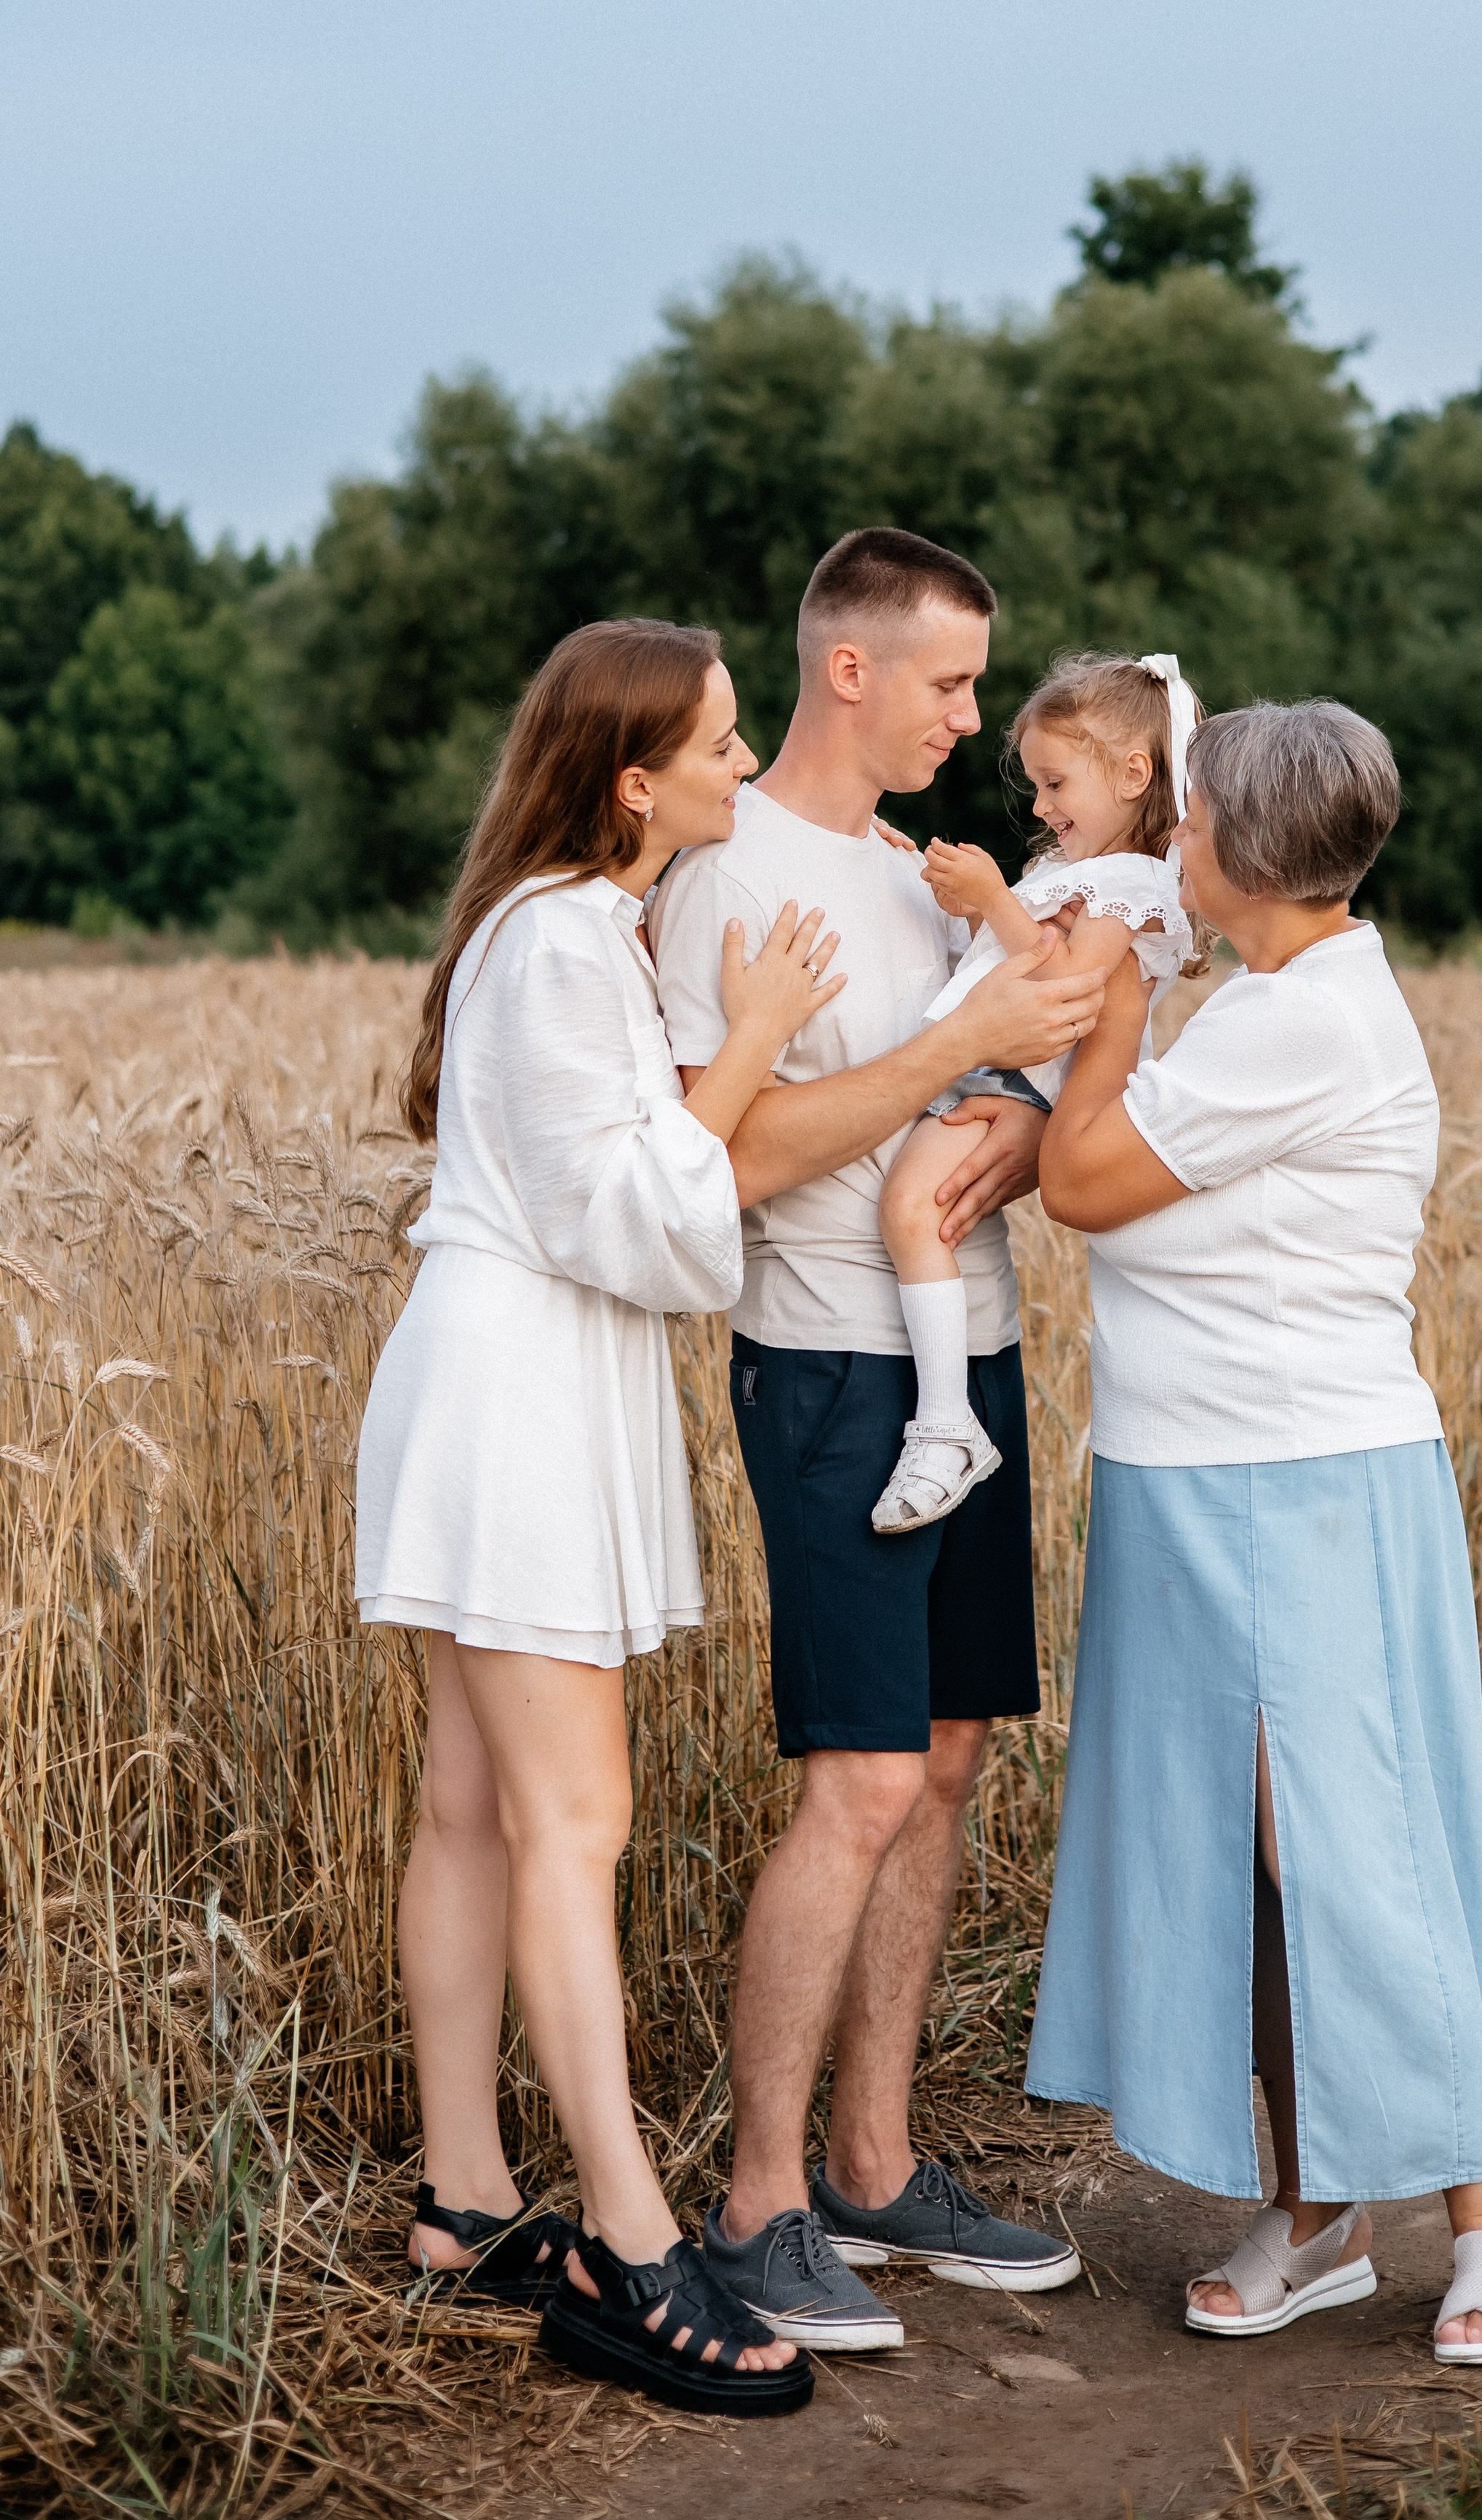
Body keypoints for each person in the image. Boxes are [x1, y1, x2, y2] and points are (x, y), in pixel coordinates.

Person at [1025, 698, 1482, 2366]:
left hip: (1303, 1480)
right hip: (1193, 1474)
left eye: (1187, 819)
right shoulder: (1269, 999)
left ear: (1242, 852)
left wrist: (1117, 993)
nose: (1169, 841)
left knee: (1346, 1848)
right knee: (1251, 1864)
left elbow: (1081, 1179)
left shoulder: (1304, 1020)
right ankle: (1320, 2209)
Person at [354, 619, 844, 2420]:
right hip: (517, 1402)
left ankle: (466, 2203)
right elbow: (629, 1212)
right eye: (719, 744)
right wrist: (760, 1038)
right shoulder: (563, 939)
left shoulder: (563, 927)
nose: (743, 765)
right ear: (633, 782)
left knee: (475, 1805)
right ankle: (630, 2248)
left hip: (506, 1383)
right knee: (575, 1818)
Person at [652, 528, 1103, 2353]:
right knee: (854, 1780)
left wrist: (1022, 1120)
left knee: (944, 1762)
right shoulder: (724, 870)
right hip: (834, 1368)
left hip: (971, 1357)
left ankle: (870, 2160)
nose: (972, 718)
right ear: (848, 668)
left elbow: (1003, 1097)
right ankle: (757, 2205)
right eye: (948, 681)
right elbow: (731, 1158)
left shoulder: (926, 875)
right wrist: (962, 1041)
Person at [869, 651, 1202, 1534]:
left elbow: (1061, 986)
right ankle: (946, 1420)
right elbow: (1003, 952)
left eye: (1057, 783)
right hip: (996, 1062)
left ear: (1133, 775)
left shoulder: (1137, 886)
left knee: (910, 1210)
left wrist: (992, 899)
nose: (1044, 805)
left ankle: (946, 1425)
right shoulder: (1076, 867)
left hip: (1020, 1074)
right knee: (916, 1211)